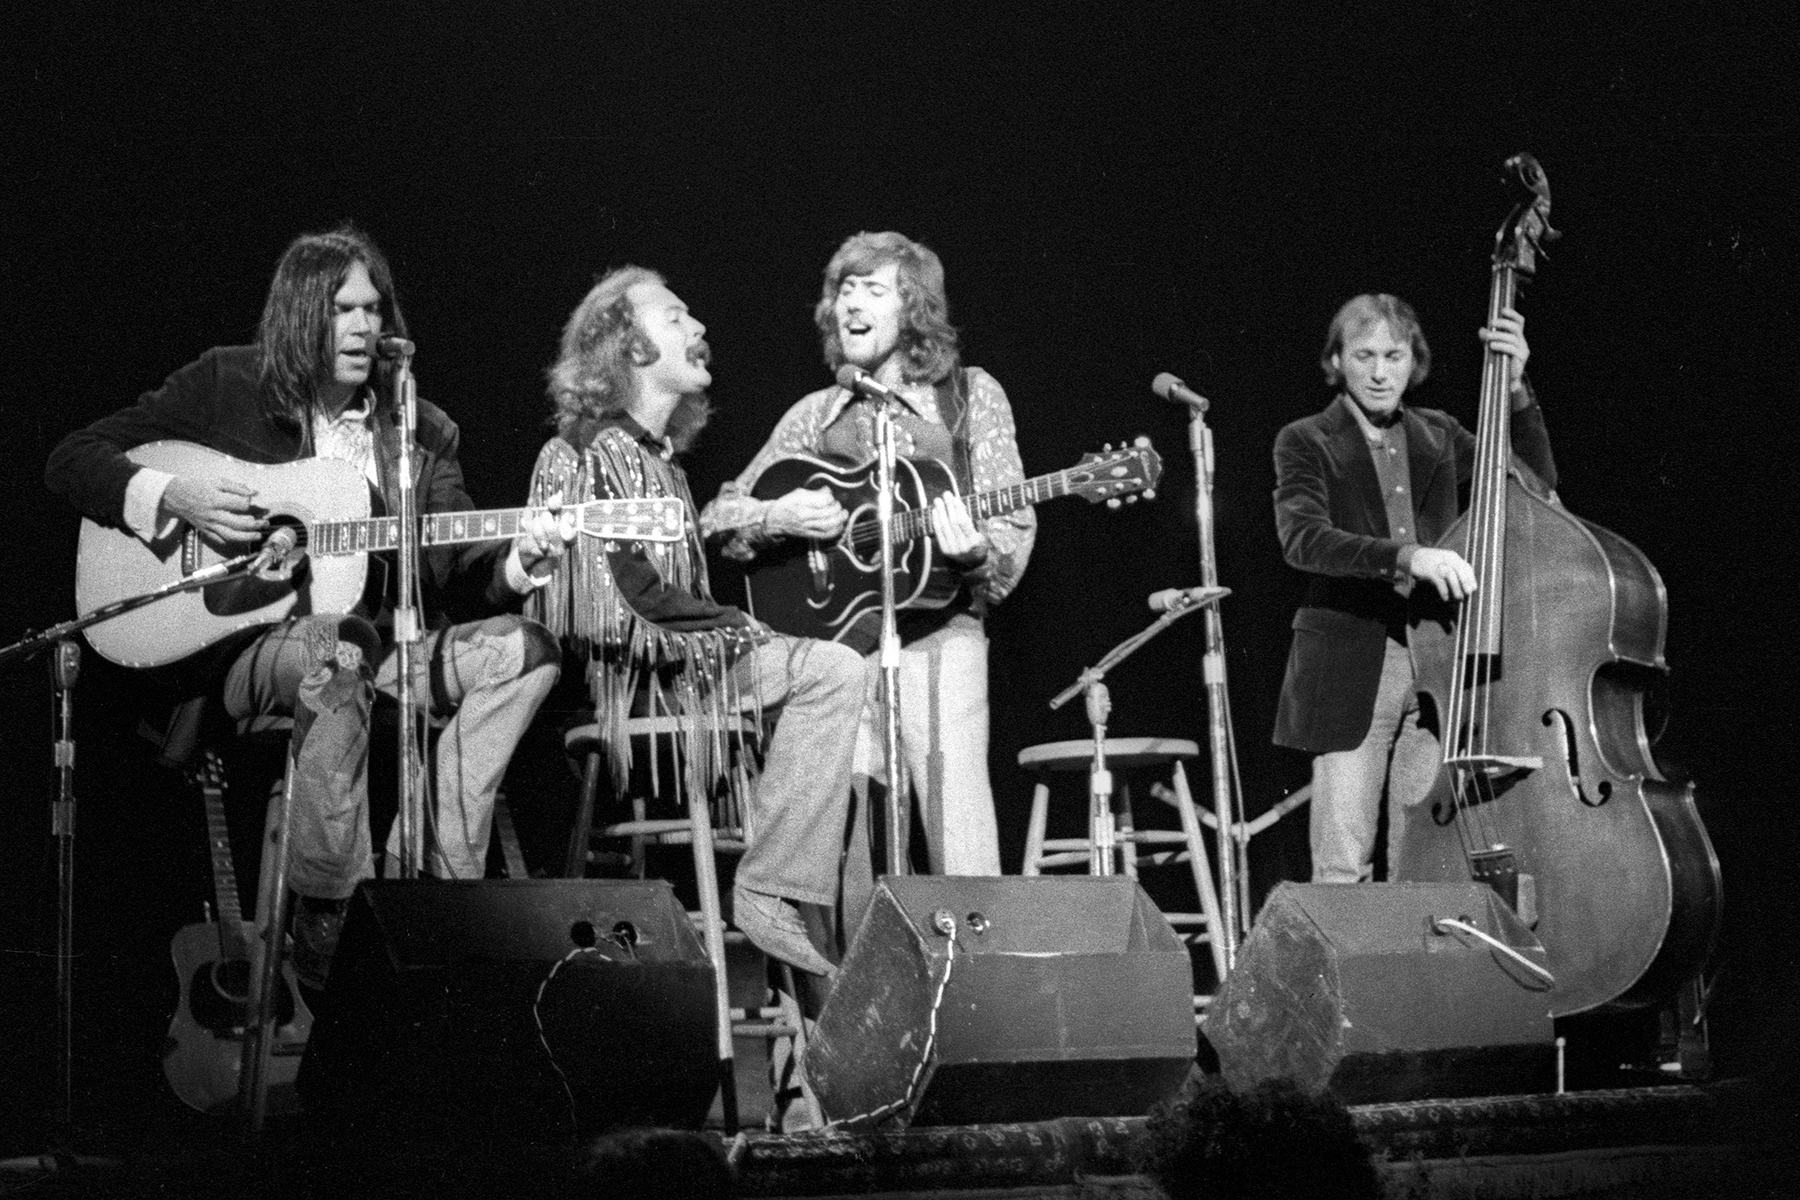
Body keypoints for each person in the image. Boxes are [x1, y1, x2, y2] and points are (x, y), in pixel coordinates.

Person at [44, 225, 570, 986]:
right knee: (338, 644)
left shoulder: (419, 432)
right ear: (299, 314)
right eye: (343, 310)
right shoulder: (228, 384)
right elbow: (73, 459)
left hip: (377, 653)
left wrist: (523, 559)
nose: (365, 327)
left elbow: (456, 572)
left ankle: (435, 886)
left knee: (528, 651)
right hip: (245, 654)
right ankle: (332, 912)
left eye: (374, 310)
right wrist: (176, 496)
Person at [525, 266, 865, 979]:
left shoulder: (665, 466)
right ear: (628, 345)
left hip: (694, 675)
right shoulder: (588, 452)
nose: (699, 329)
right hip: (643, 689)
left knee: (844, 739)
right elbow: (622, 601)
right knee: (833, 672)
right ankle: (773, 893)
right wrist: (740, 629)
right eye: (676, 316)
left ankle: (813, 973)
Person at [701, 231, 1035, 895]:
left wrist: (979, 556)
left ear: (913, 309)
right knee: (846, 836)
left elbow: (1012, 519)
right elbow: (719, 516)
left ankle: (982, 982)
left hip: (939, 637)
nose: (850, 302)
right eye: (843, 290)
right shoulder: (816, 415)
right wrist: (778, 516)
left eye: (871, 288)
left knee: (958, 824)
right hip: (837, 655)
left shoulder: (966, 397)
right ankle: (851, 987)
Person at [1272, 293, 1557, 884]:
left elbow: (1533, 487)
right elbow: (1303, 540)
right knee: (1344, 859)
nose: (1380, 373)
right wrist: (1407, 557)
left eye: (1394, 356)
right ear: (1337, 361)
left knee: (1421, 862)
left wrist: (1517, 387)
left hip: (1437, 668)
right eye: (1363, 356)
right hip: (1353, 665)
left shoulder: (1440, 434)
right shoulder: (1304, 439)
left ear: (1413, 361)